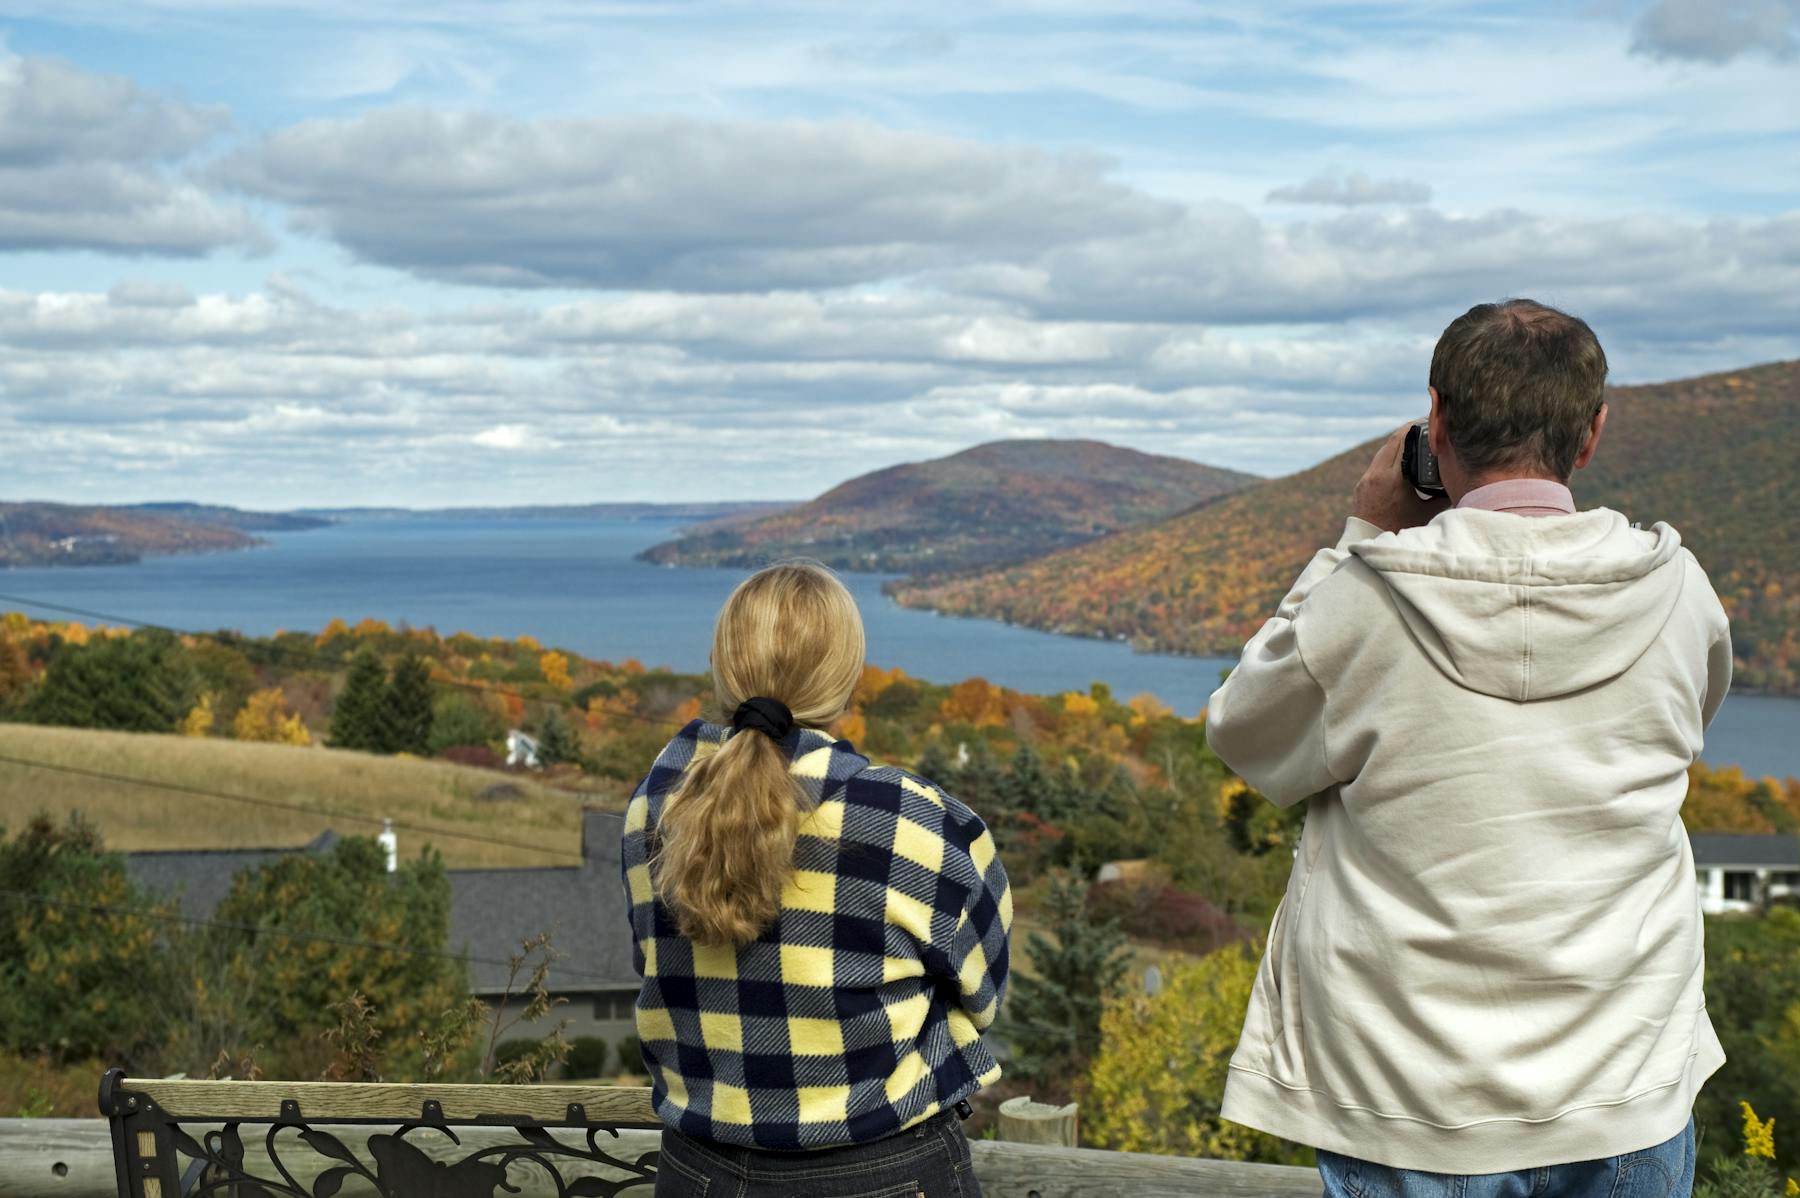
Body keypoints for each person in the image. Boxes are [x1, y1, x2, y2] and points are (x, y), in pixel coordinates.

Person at [1206, 300, 1731, 1192]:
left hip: (1409, 1092)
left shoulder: (1367, 602)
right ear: (1593, 431)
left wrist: (1366, 532)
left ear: (1436, 420)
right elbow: (1687, 725)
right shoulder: (1679, 593)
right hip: (1627, 1075)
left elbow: (1247, 736)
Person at [621, 560, 1012, 1198]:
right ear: (847, 678)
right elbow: (983, 994)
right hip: (880, 1168)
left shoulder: (655, 808)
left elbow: (652, 965)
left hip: (696, 1169)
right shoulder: (912, 818)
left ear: (723, 665)